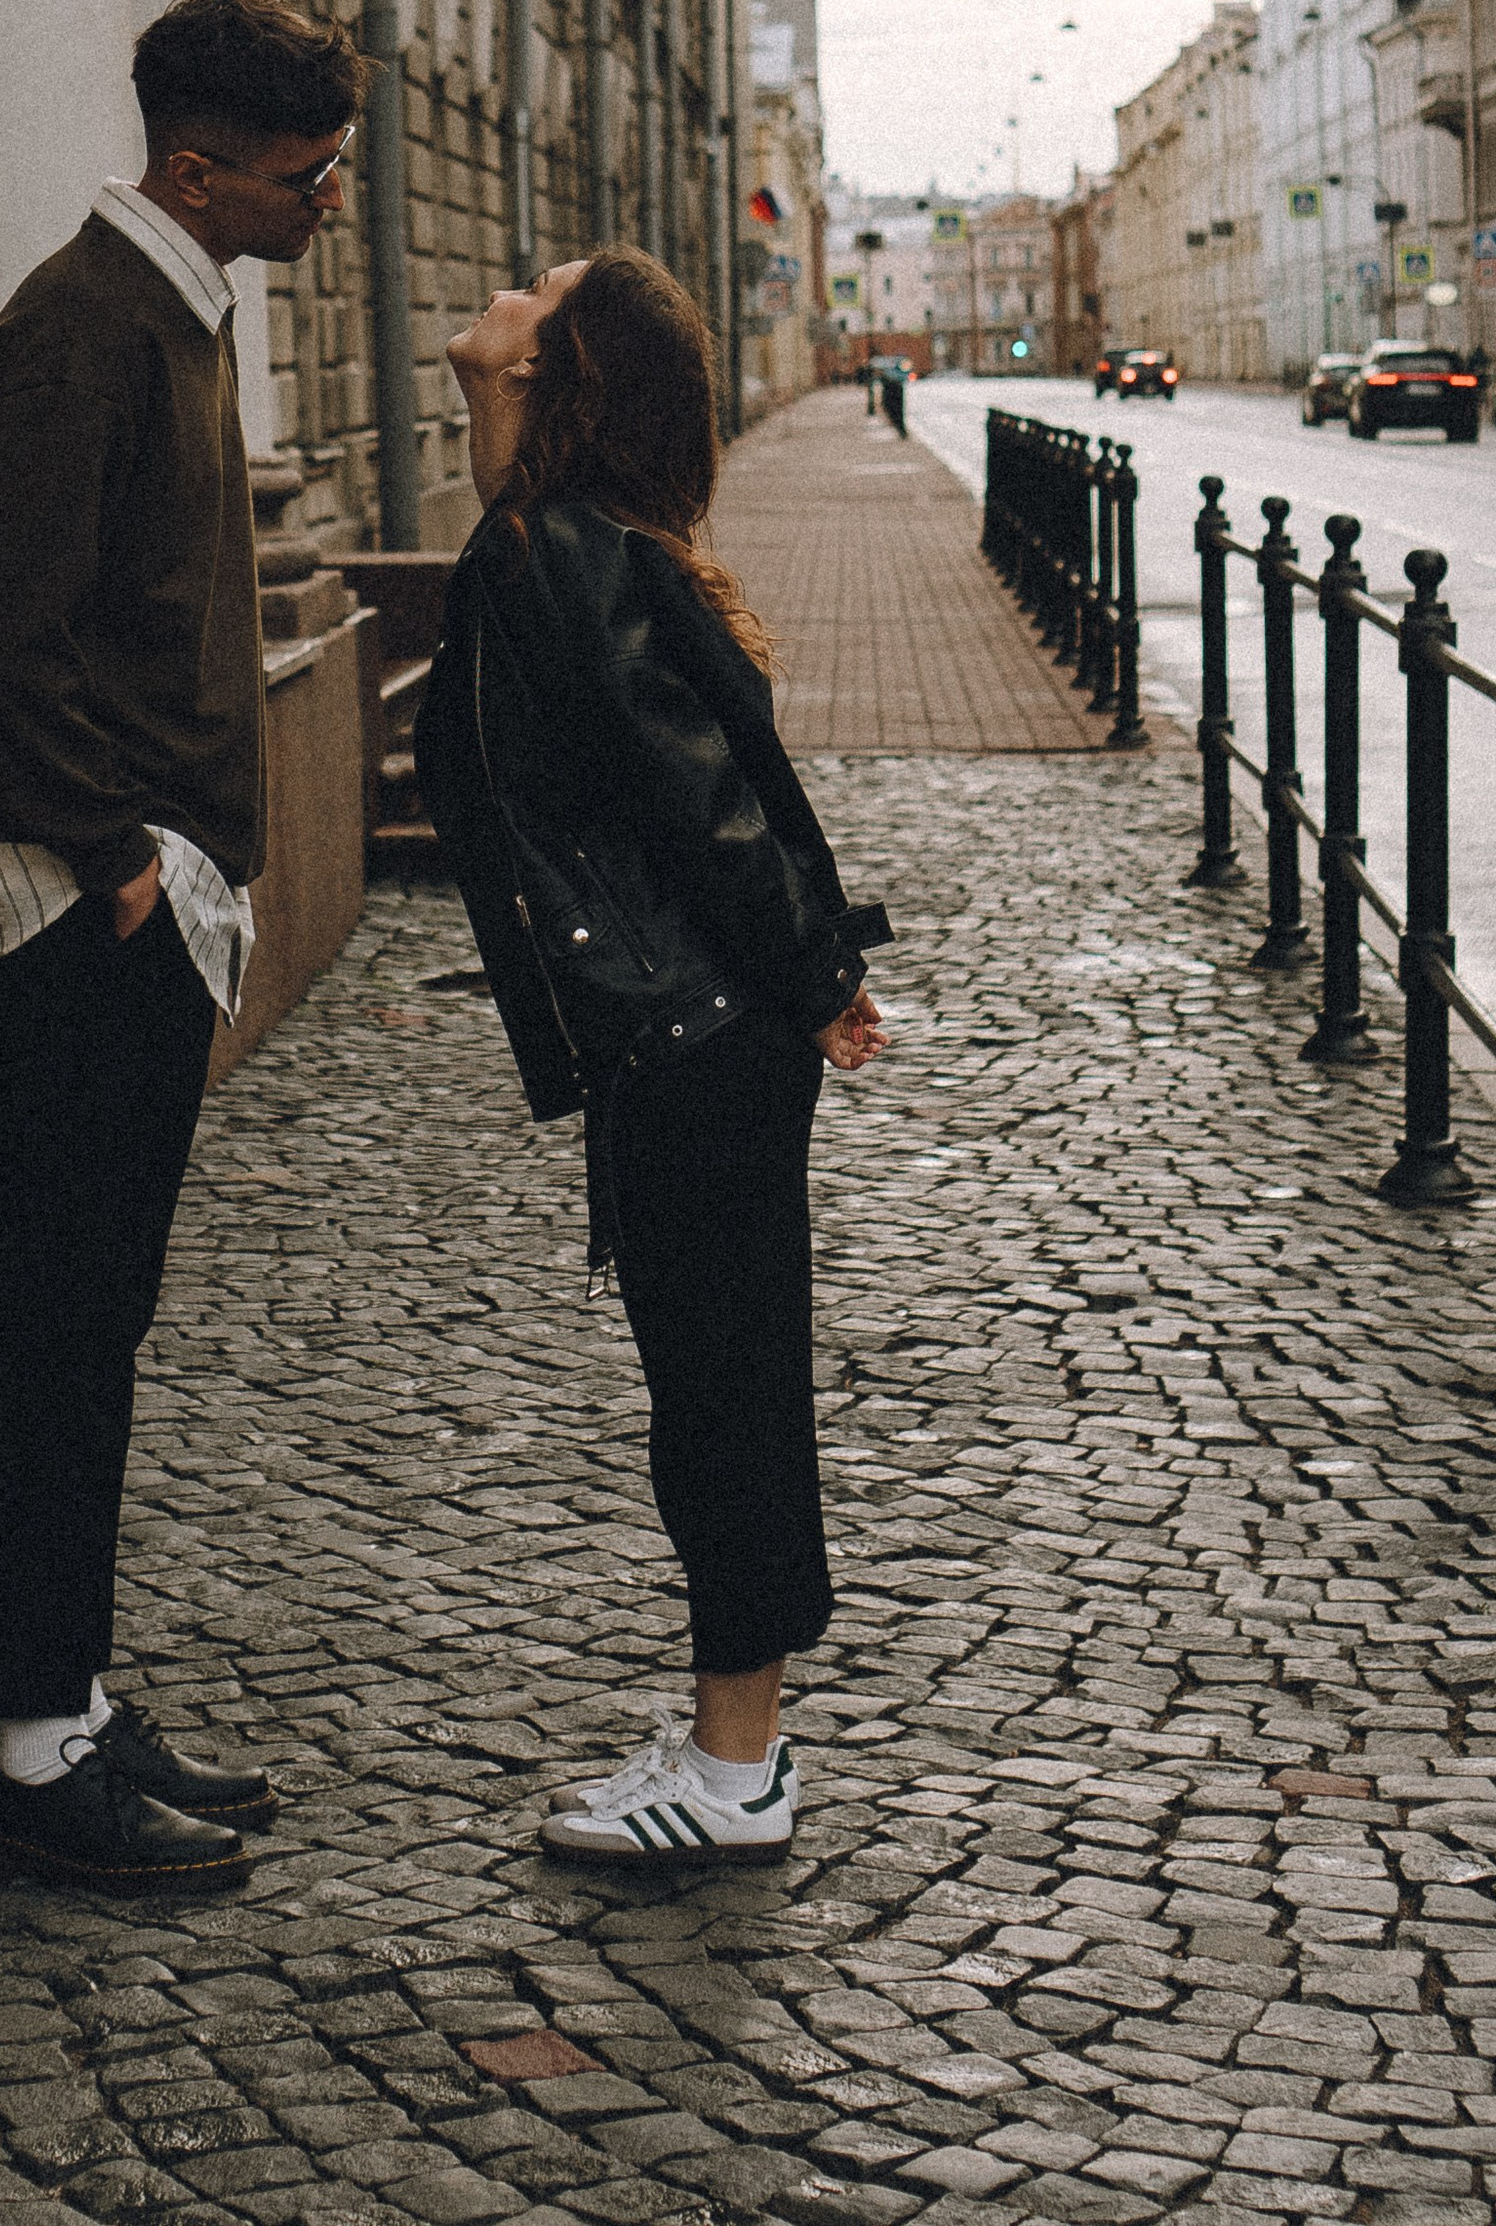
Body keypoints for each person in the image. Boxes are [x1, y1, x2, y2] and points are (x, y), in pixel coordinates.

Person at [0, 0, 363, 1893]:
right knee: (62, 1328)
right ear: (198, 165)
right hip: (76, 905)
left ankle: (67, 1705)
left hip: (136, 896)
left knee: (97, 1323)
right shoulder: (72, 335)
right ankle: (30, 1765)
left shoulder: (174, 311)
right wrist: (119, 860)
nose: (328, 196)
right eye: (304, 170)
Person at [414, 247, 889, 1869]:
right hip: (694, 1036)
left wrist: (815, 973)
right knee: (716, 1383)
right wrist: (812, 975)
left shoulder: (562, 555)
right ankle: (724, 1734)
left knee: (725, 1395)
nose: (504, 290)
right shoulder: (563, 543)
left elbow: (710, 801)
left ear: (559, 371)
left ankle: (738, 1768)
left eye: (537, 294)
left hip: (696, 1040)